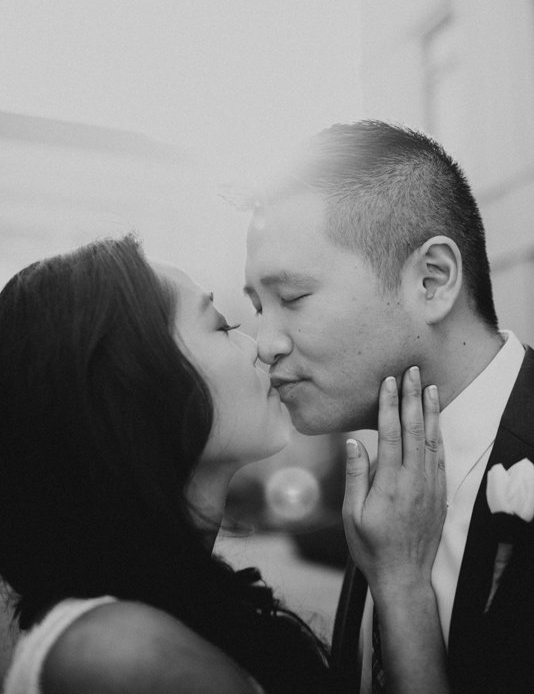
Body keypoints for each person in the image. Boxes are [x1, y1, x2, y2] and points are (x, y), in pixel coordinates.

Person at [0, 233, 446, 694]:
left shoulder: (159, 608)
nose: (260, 347)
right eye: (222, 326)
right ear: (137, 391)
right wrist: (402, 585)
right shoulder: (123, 657)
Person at [244, 120, 534, 694]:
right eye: (257, 307)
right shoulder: (385, 474)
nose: (265, 342)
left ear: (432, 281)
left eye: (293, 298)